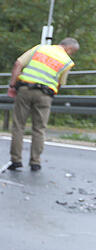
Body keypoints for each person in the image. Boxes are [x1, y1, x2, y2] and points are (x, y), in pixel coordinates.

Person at [6, 37, 80, 171]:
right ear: (69, 48)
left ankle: (16, 160)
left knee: (18, 126)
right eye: (72, 52)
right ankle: (35, 162)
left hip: (25, 89)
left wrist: (12, 85)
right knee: (39, 129)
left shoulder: (40, 48)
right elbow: (60, 83)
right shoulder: (67, 61)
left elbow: (18, 64)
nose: (71, 54)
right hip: (45, 95)